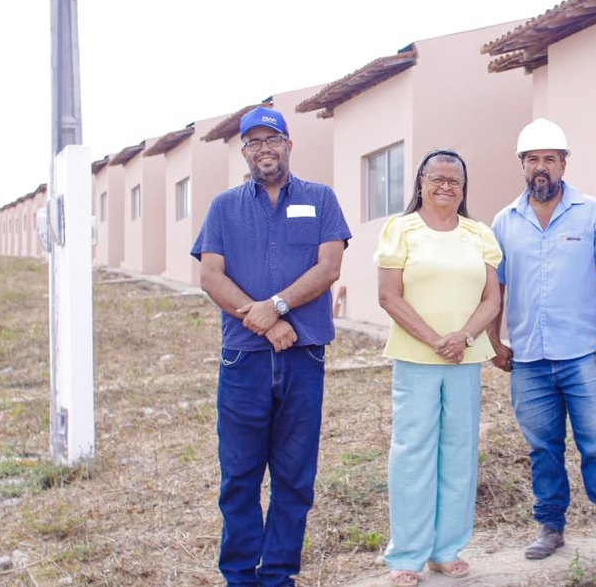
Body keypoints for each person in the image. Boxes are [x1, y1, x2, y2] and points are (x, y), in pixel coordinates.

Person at [191, 106, 351, 587]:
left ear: (288, 144)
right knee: (239, 476)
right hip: (245, 358)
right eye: (254, 142)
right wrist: (263, 322)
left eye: (272, 139)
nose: (264, 149)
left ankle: (279, 574)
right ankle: (240, 576)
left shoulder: (321, 199)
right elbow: (210, 276)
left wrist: (277, 307)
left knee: (294, 477)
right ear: (244, 152)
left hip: (304, 357)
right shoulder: (224, 207)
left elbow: (329, 268)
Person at [487, 118, 596, 563]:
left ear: (564, 163)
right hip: (529, 359)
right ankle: (550, 528)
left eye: (550, 158)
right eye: (533, 160)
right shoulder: (504, 221)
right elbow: (495, 287)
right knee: (543, 450)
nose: (541, 167)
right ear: (522, 166)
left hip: (585, 356)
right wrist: (495, 341)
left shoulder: (592, 213)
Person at [374, 149, 502, 587]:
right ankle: (406, 554)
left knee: (459, 451)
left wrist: (463, 337)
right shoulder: (400, 229)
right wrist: (434, 339)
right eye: (437, 178)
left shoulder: (478, 234)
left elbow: (492, 298)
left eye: (455, 180)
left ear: (464, 188)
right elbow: (389, 296)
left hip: (465, 358)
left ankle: (446, 549)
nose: (446, 186)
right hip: (417, 358)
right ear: (421, 182)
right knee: (413, 452)